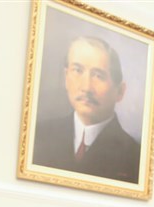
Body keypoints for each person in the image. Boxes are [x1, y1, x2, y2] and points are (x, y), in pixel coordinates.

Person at [32, 36, 141, 183]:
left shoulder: (135, 156)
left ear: (120, 91)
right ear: (66, 77)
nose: (86, 87)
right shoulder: (39, 135)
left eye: (98, 76)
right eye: (77, 70)